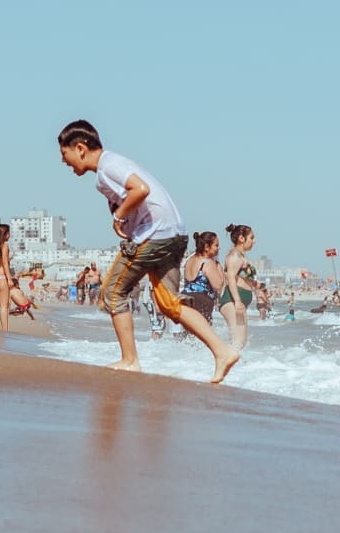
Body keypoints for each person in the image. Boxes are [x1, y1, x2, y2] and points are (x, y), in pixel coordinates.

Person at [58, 120, 239, 382]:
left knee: (112, 293)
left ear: (81, 148)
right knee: (168, 304)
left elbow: (140, 190)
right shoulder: (111, 167)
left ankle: (130, 360)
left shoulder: (108, 166)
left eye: (65, 154)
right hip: (174, 234)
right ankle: (222, 352)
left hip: (155, 235)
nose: (64, 162)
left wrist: (119, 216)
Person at [218, 223, 257, 349]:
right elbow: (230, 278)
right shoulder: (234, 255)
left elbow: (238, 276)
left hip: (236, 300)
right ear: (241, 238)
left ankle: (234, 366)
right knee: (238, 341)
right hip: (232, 300)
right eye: (251, 237)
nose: (254, 241)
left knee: (241, 342)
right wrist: (238, 301)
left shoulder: (240, 256)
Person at [181, 231, 223, 325]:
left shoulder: (190, 260)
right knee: (204, 333)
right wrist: (219, 267)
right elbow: (218, 285)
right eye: (216, 245)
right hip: (201, 300)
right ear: (207, 247)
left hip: (185, 297)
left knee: (187, 334)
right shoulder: (208, 263)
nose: (219, 248)